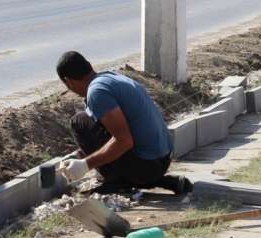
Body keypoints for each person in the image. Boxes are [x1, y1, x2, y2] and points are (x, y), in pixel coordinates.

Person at [56, 51, 191, 195]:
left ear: (68, 81)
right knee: (87, 119)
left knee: (79, 121)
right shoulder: (110, 77)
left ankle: (115, 182)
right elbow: (111, 130)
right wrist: (80, 154)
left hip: (147, 166)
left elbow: (124, 141)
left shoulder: (97, 93)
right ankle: (155, 181)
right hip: (162, 159)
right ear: (89, 66)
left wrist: (85, 165)